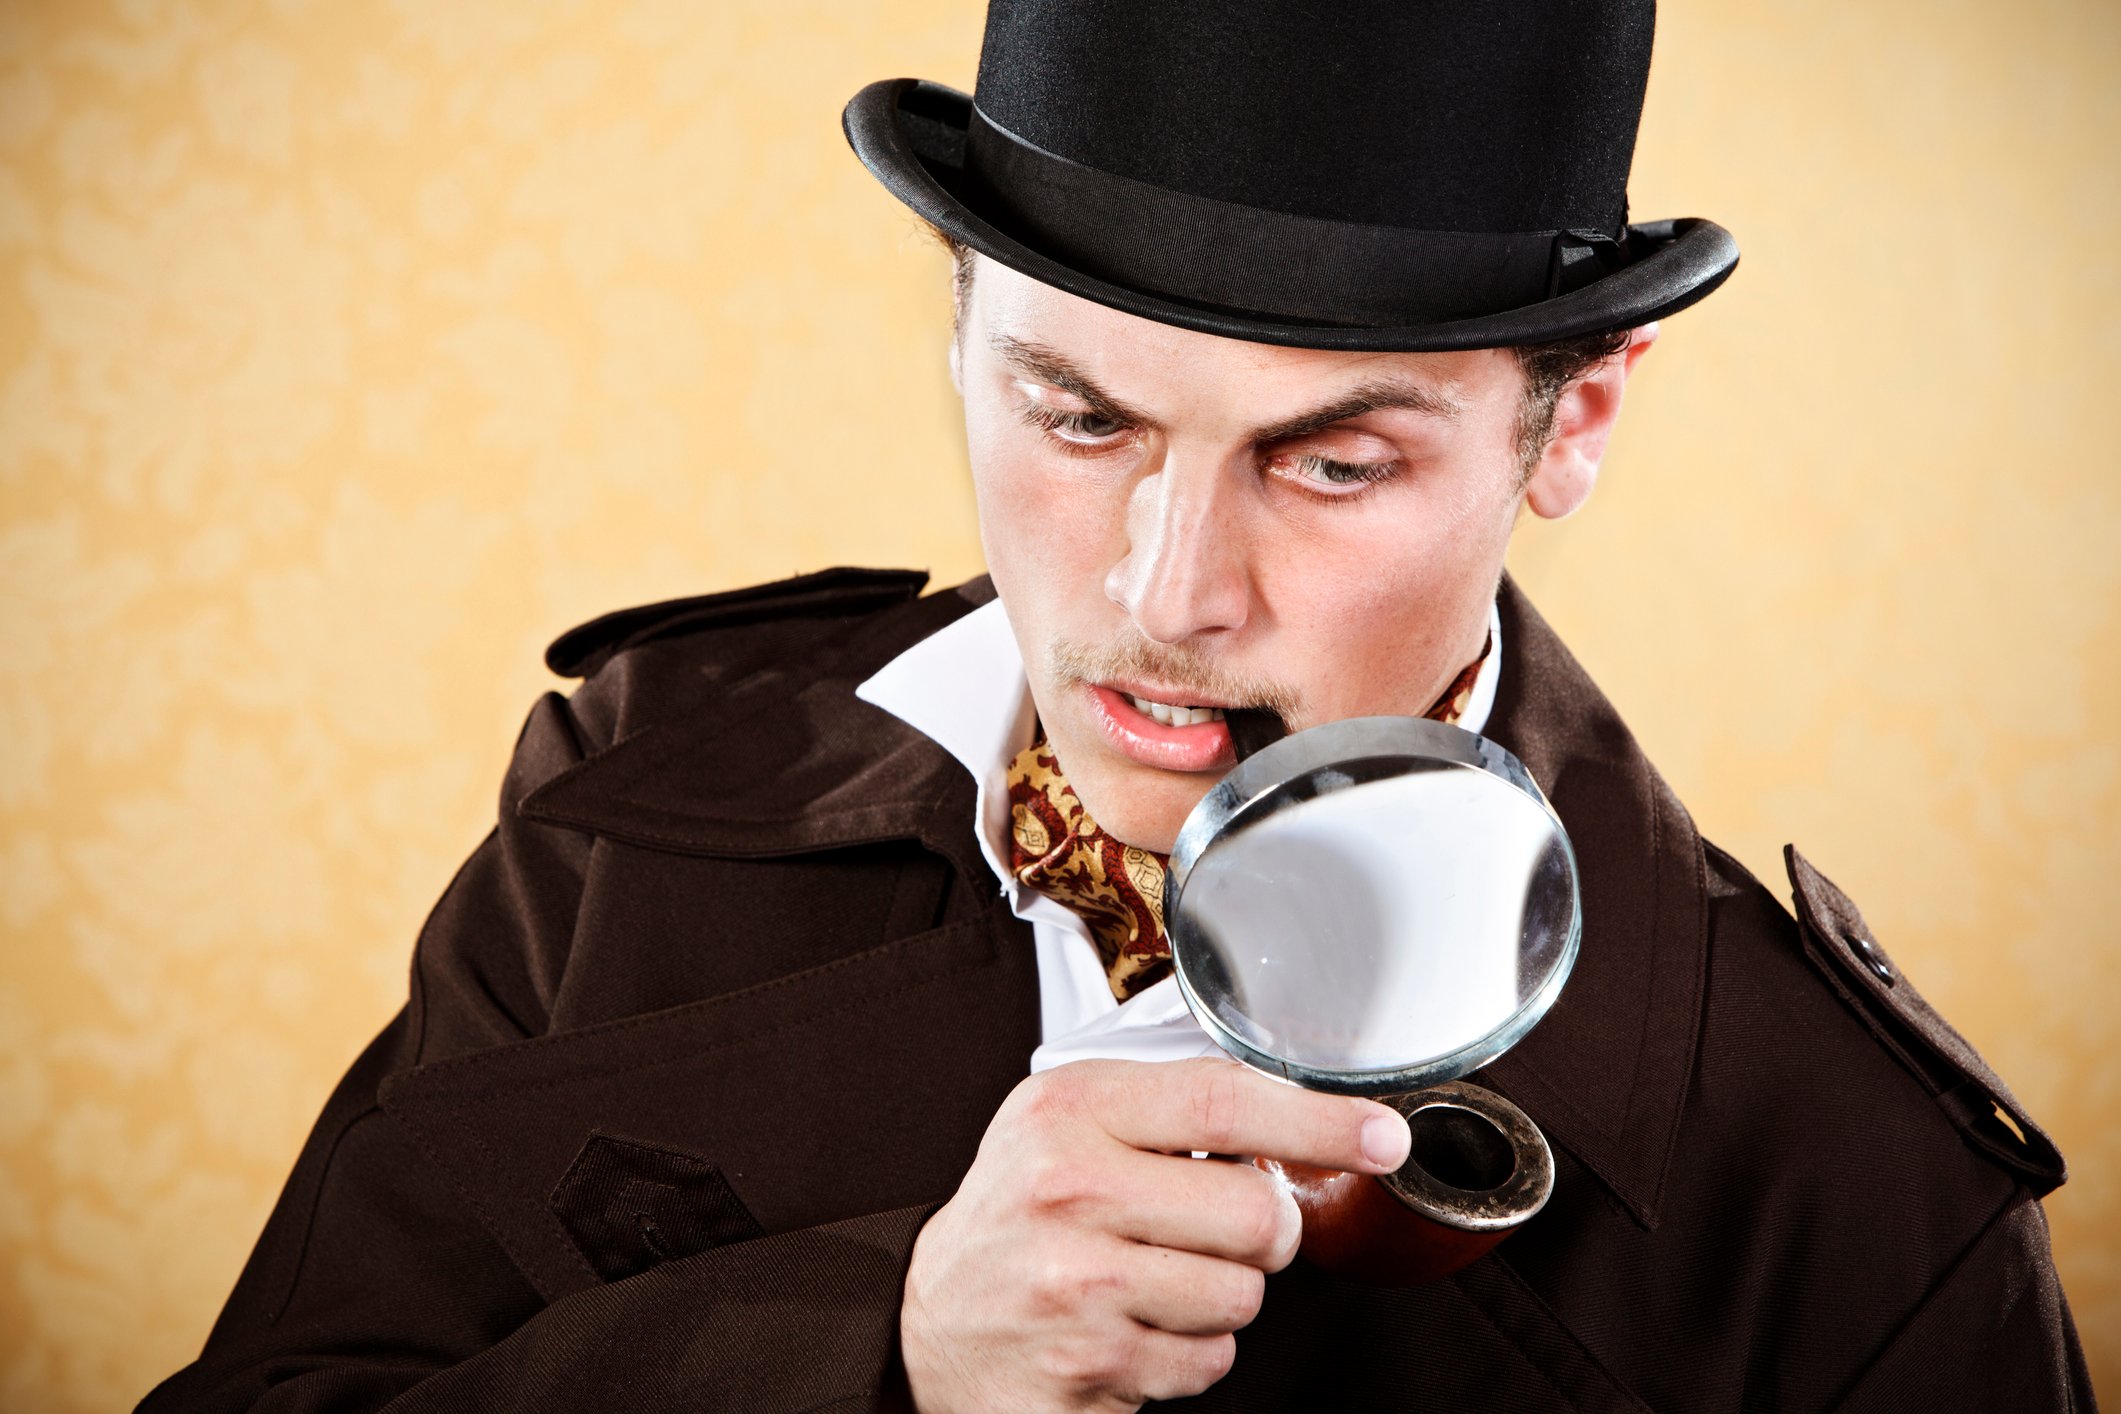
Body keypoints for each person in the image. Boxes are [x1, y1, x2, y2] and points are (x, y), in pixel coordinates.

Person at [143, 2, 2096, 1410]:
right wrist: (874, 1344)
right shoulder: (629, 797)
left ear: (1568, 421)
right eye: (1076, 415)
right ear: (960, 334)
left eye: (1330, 464)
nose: (1164, 595)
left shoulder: (1844, 1172)